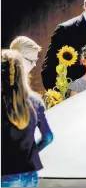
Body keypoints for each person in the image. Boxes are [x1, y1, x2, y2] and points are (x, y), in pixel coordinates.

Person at [1, 49, 53, 187]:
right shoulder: (35, 102)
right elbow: (48, 137)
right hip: (31, 174)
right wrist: (31, 151)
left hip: (5, 175)